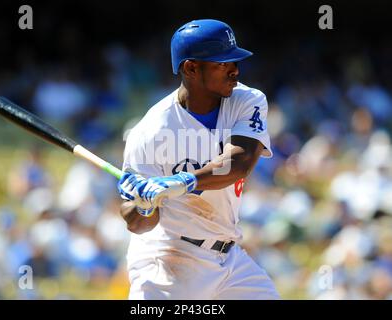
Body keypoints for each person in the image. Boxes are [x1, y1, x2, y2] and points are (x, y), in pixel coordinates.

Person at [117, 19, 280, 299]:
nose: (235, 71)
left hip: (229, 259)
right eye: (223, 64)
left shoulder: (247, 100)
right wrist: (143, 205)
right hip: (169, 260)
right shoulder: (150, 132)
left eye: (234, 62)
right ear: (191, 68)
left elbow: (239, 162)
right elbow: (136, 223)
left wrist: (182, 182)